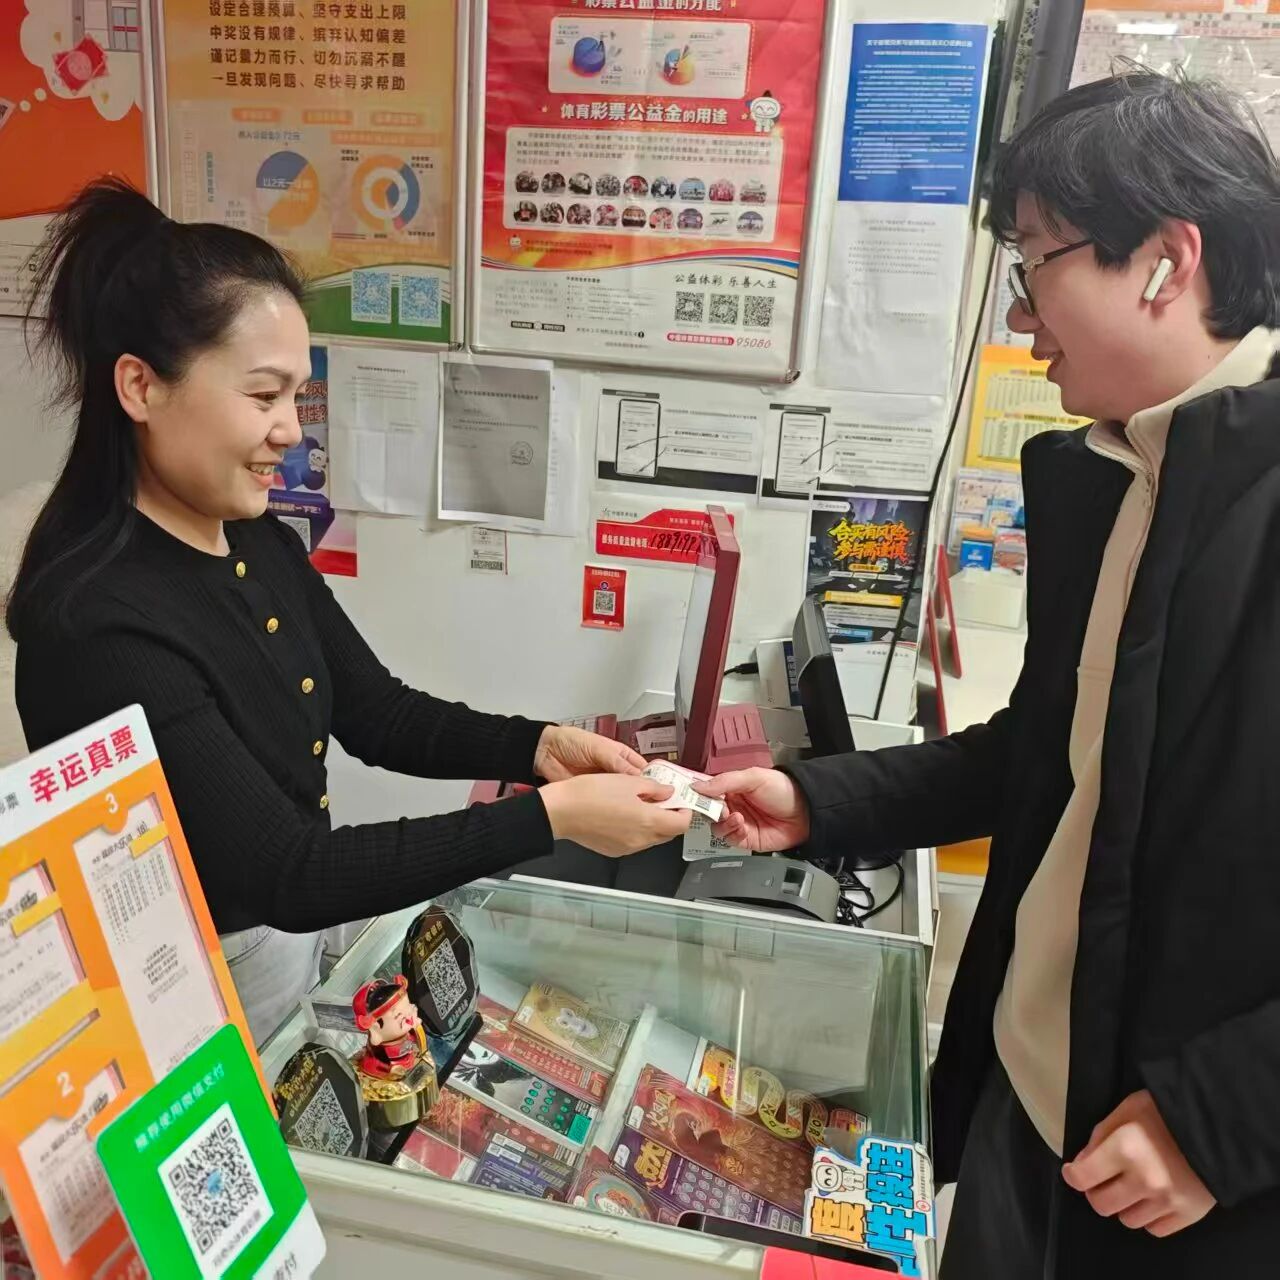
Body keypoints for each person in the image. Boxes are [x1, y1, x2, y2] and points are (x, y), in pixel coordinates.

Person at [699, 71, 1280, 1278]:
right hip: (1032, 1090)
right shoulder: (1115, 476)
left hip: (1186, 1170)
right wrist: (817, 799)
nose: (1019, 316)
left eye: (1034, 263)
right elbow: (1046, 754)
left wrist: (1225, 1117)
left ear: (1164, 261)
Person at [11, 179, 691, 1045]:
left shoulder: (252, 537)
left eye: (296, 396)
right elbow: (284, 871)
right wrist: (549, 819)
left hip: (289, 939)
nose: (291, 430)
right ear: (141, 388)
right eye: (263, 396)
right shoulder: (99, 625)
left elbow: (377, 711)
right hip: (198, 980)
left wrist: (539, 748)